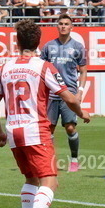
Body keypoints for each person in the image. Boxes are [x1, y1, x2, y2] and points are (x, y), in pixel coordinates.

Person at [0, 19, 90, 208]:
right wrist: (82, 113)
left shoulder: (5, 67)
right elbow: (68, 98)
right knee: (50, 181)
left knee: (31, 178)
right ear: (38, 43)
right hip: (35, 131)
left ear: (17, 42)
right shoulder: (43, 67)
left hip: (14, 132)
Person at [40, 14, 88, 172]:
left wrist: (80, 91)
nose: (63, 26)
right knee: (49, 129)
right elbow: (41, 68)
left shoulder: (78, 47)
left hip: (69, 93)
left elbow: (83, 71)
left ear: (71, 27)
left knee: (70, 127)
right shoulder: (48, 46)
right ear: (57, 26)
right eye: (60, 23)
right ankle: (50, 161)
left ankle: (74, 160)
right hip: (51, 94)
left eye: (66, 24)